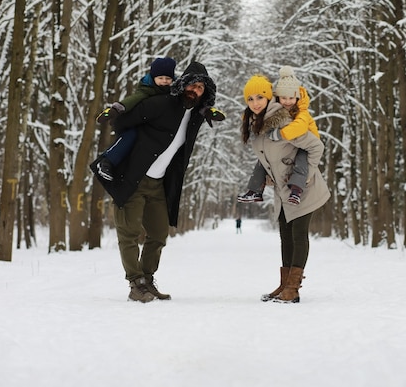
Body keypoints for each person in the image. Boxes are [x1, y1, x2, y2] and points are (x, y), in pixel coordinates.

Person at [90, 61, 221, 303]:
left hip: (159, 184)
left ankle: (147, 279)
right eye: (192, 84)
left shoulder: (195, 117)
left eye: (201, 87)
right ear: (182, 85)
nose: (195, 90)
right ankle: (135, 282)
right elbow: (122, 122)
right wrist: (131, 138)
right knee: (128, 233)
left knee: (159, 233)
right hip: (134, 178)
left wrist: (210, 111)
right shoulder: (161, 104)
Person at [240, 74, 330, 303]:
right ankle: (284, 285)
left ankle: (293, 288)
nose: (256, 102)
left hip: (304, 188)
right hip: (283, 192)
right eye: (250, 99)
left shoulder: (284, 122)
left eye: (260, 97)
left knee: (298, 235)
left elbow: (316, 146)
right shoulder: (257, 125)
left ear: (270, 97)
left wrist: (305, 177)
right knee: (285, 237)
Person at [94, 57, 225, 181]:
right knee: (129, 138)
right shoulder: (147, 91)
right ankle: (107, 161)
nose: (164, 81)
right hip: (138, 126)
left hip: (158, 176)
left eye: (167, 78)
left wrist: (208, 111)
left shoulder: (175, 94)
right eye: (160, 78)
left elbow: (197, 105)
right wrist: (117, 109)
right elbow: (133, 100)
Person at [237, 66, 319, 205]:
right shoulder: (262, 117)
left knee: (301, 161)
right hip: (282, 190)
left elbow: (299, 129)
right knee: (262, 160)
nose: (287, 101)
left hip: (305, 144)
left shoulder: (299, 113)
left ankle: (297, 189)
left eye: (291, 98)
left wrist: (281, 134)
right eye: (283, 98)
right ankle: (255, 191)